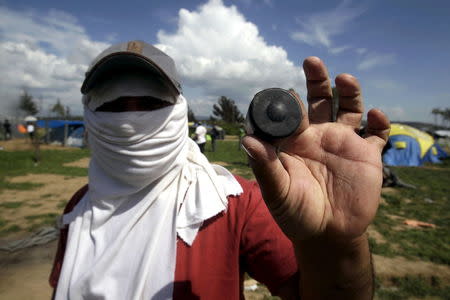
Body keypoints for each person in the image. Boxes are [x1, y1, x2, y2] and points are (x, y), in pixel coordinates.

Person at [49, 40, 390, 300]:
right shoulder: (79, 208)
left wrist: (335, 243)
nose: (131, 119)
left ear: (178, 110)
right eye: (114, 106)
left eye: (151, 104)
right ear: (90, 114)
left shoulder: (230, 204)